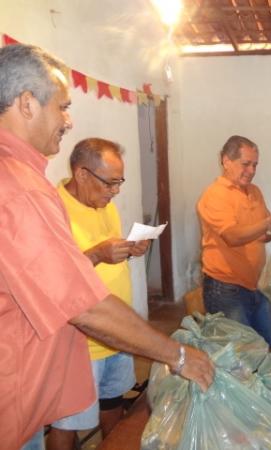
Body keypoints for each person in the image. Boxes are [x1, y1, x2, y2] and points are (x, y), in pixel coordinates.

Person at [0, 44, 213, 450]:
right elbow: (80, 302)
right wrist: (176, 354)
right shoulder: (19, 188)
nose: (68, 119)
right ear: (27, 104)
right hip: (12, 398)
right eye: (62, 107)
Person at [46, 138, 150, 449]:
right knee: (69, 423)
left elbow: (105, 255)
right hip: (79, 344)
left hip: (116, 332)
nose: (115, 191)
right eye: (110, 182)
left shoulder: (104, 202)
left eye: (120, 182)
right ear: (82, 174)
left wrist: (130, 250)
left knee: (113, 404)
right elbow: (51, 275)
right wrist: (96, 254)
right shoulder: (53, 208)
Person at [197, 135, 271, 348]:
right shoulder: (215, 195)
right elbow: (232, 236)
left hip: (256, 285)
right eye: (246, 164)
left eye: (255, 165)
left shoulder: (254, 192)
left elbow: (262, 231)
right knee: (239, 357)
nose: (252, 170)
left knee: (266, 347)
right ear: (226, 161)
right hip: (226, 289)